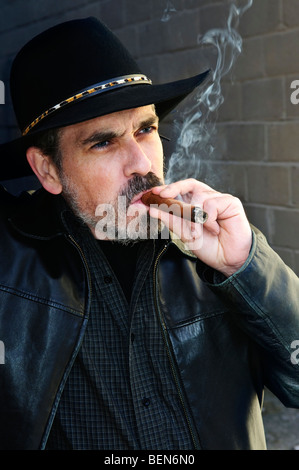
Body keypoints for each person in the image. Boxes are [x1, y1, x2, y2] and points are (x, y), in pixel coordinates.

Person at [0, 16, 298, 451]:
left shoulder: (212, 248)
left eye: (146, 129)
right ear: (48, 170)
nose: (141, 161)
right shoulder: (10, 265)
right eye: (103, 142)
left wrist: (247, 265)